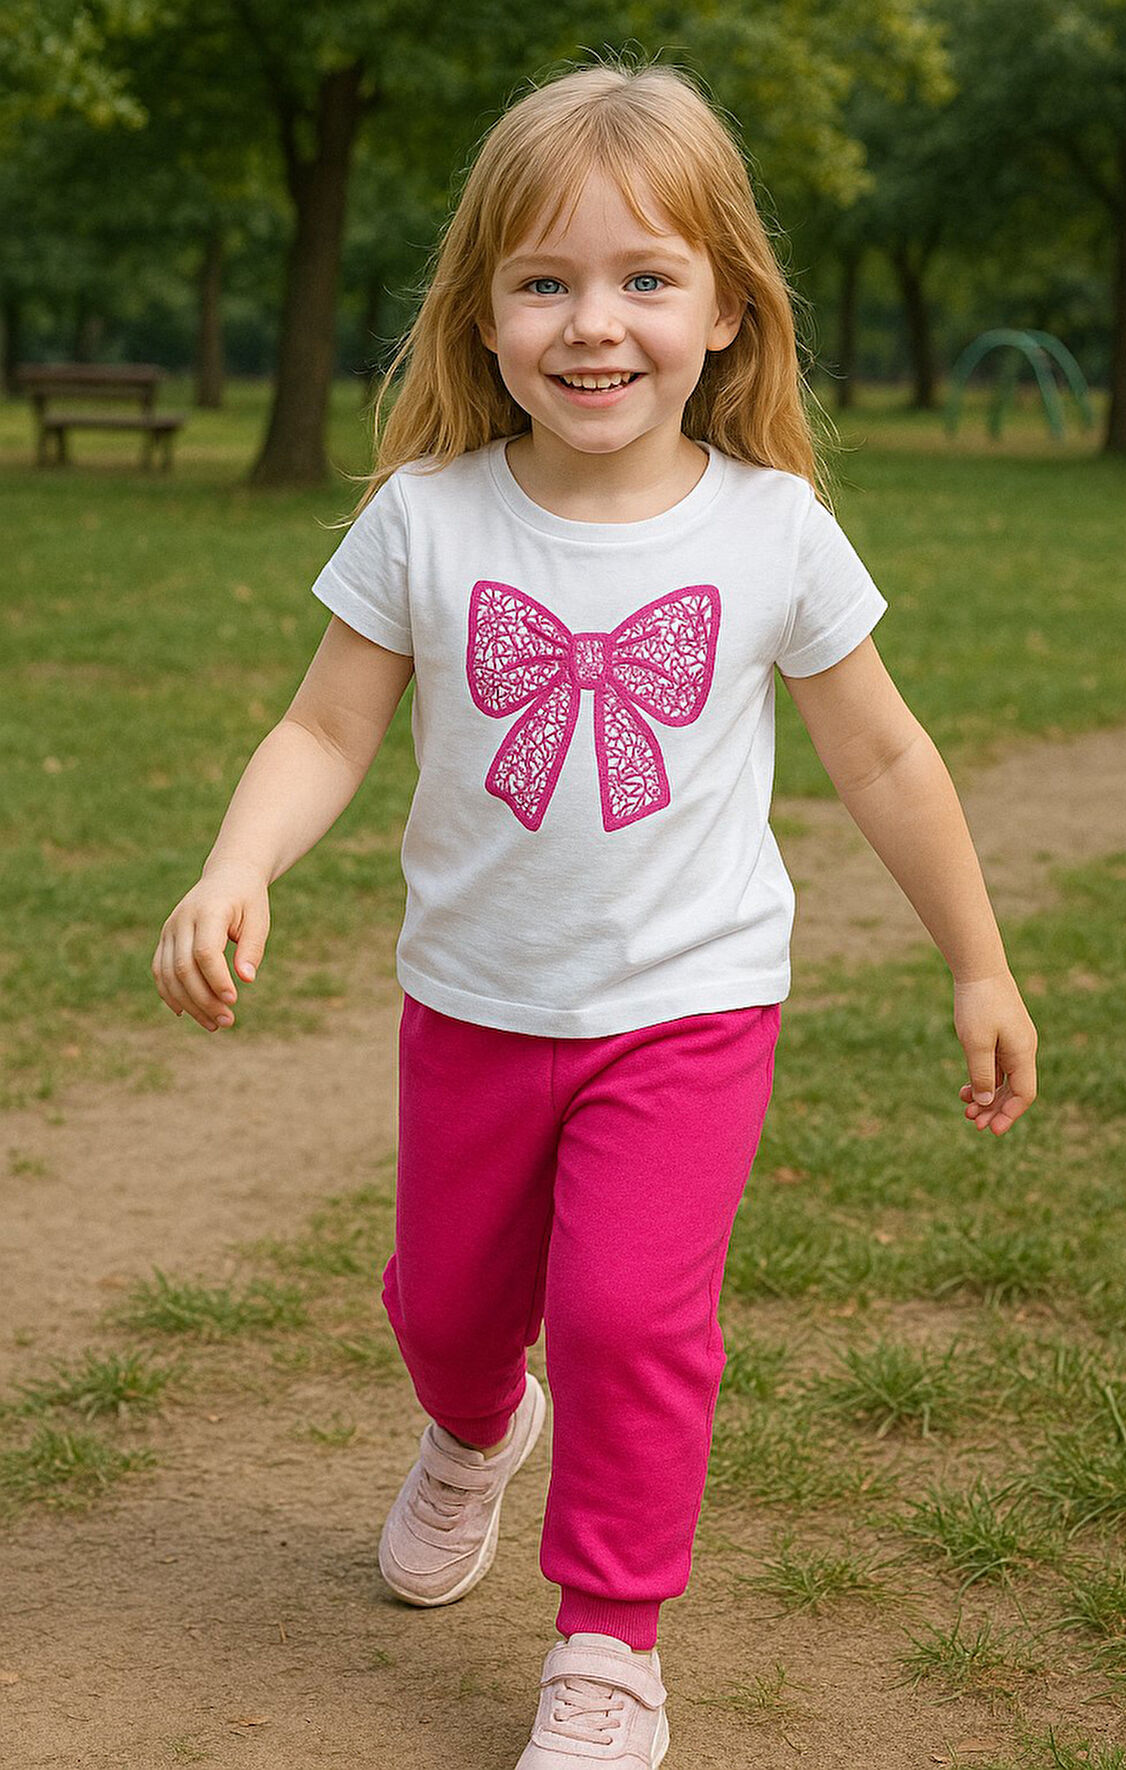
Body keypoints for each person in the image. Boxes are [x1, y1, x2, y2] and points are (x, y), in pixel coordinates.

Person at [151, 52, 1038, 1770]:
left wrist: (980, 962)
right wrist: (235, 863)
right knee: (447, 1313)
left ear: (725, 312)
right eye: (545, 280)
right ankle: (476, 1433)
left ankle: (610, 1637)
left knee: (636, 1319)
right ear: (482, 316)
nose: (593, 322)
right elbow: (326, 723)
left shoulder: (774, 530)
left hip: (689, 1008)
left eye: (647, 277)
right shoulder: (425, 519)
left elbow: (888, 757)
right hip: (472, 1002)